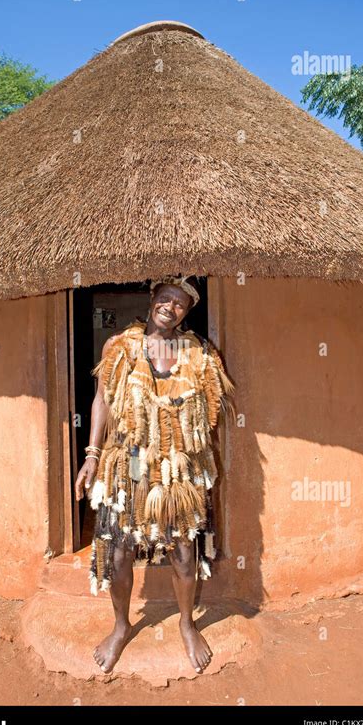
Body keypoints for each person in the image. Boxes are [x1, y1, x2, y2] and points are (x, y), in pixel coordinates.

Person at [75, 276, 234, 674]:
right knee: (120, 550)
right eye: (165, 298)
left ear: (187, 311)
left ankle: (186, 623)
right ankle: (121, 625)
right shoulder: (122, 348)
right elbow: (102, 400)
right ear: (152, 300)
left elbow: (209, 413)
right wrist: (92, 455)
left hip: (179, 469)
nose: (171, 307)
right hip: (129, 462)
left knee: (183, 551)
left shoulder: (198, 352)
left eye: (180, 303)